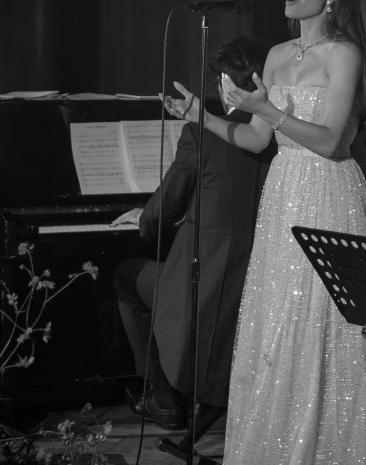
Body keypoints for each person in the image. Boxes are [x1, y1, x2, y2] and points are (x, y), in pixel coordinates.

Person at [163, 0, 366, 465]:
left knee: (323, 318)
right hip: (283, 195)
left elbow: (331, 141)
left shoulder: (344, 54)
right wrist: (200, 115)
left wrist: (269, 112)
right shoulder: (277, 55)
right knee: (277, 318)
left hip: (329, 192)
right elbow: (257, 139)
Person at [111, 37, 273, 440]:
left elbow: (166, 205)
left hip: (203, 284)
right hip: (253, 285)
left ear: (225, 83)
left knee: (126, 276)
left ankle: (163, 397)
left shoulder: (203, 133)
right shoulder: (279, 138)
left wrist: (144, 220)